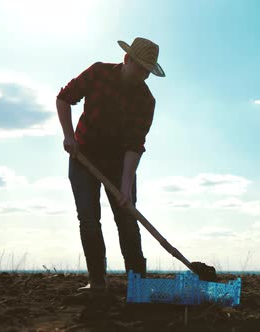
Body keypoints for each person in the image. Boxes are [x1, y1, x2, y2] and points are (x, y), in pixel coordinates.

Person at [56, 37, 165, 291]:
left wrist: (126, 186)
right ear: (126, 60)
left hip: (118, 164)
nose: (143, 76)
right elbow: (64, 98)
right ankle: (97, 283)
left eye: (147, 72)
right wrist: (69, 136)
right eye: (139, 68)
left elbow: (135, 145)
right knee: (89, 220)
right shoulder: (98, 73)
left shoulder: (146, 101)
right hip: (84, 158)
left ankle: (137, 284)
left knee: (127, 218)